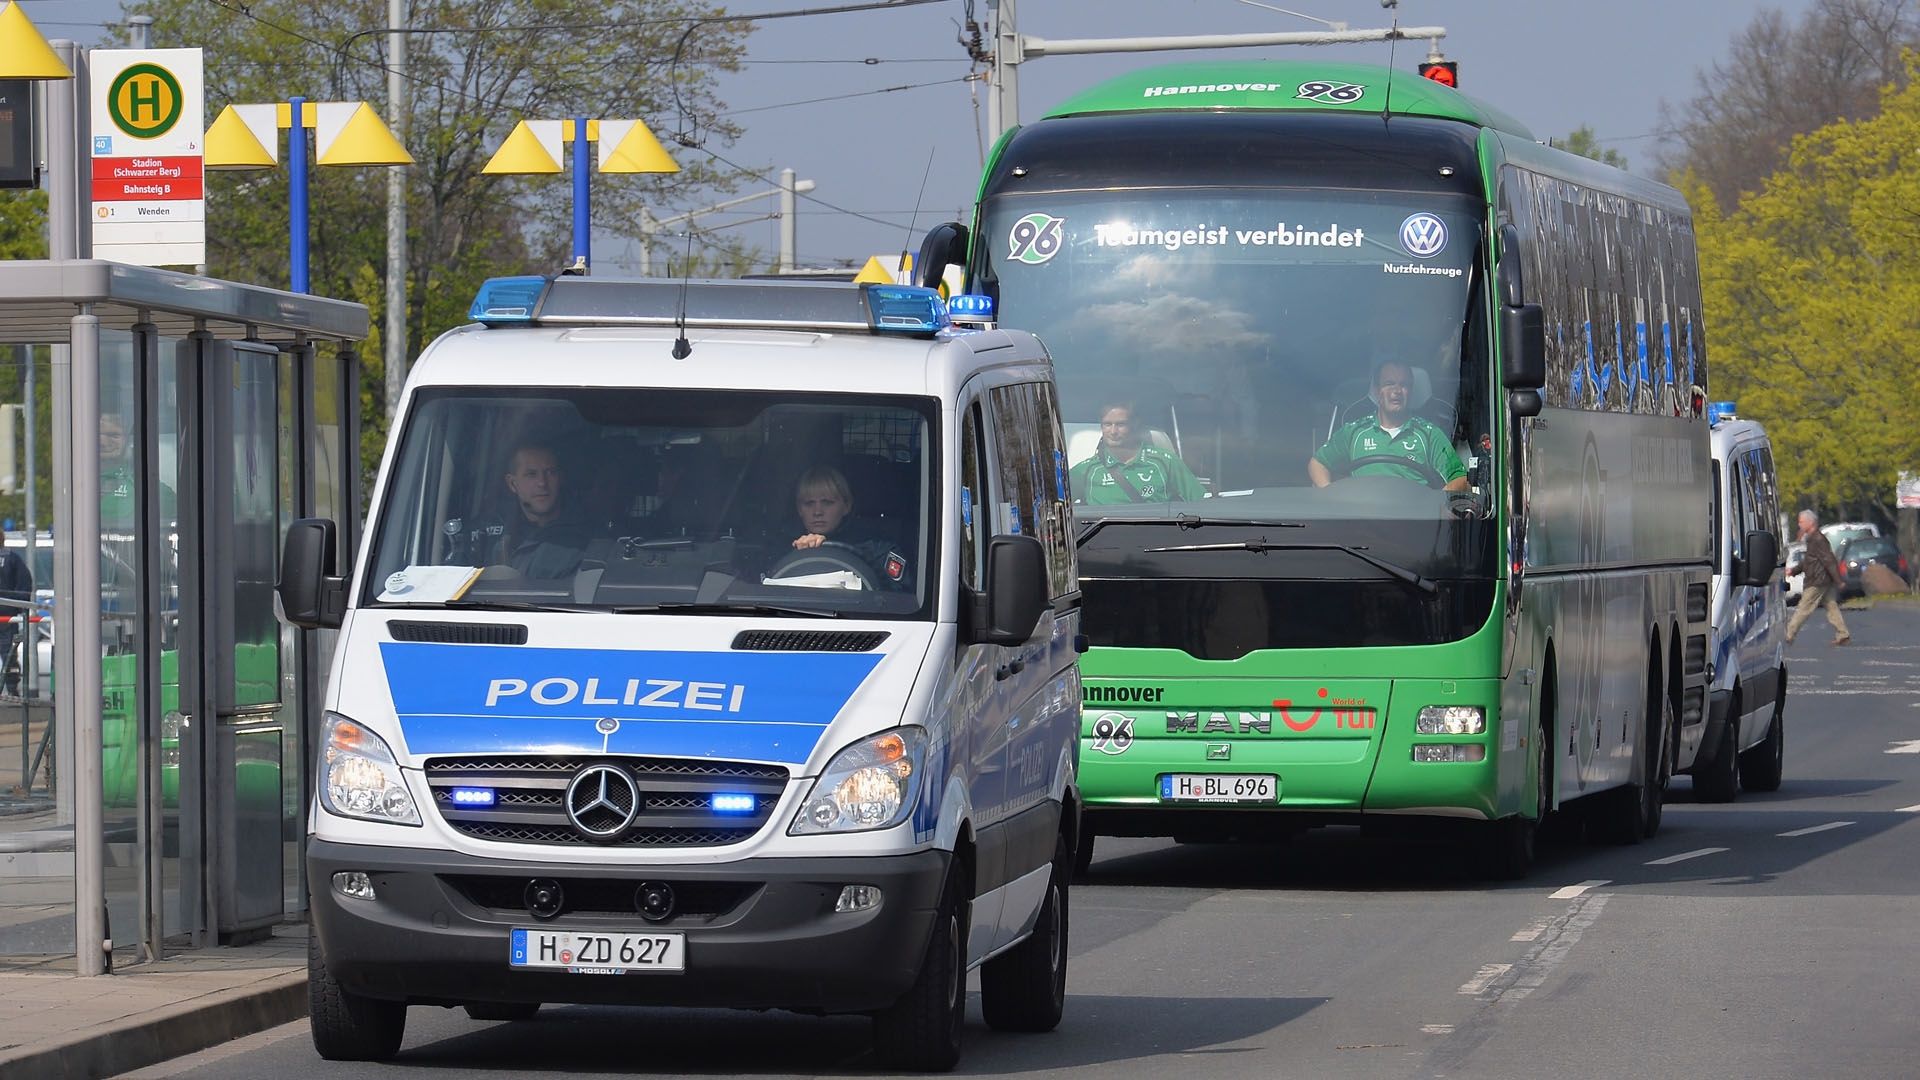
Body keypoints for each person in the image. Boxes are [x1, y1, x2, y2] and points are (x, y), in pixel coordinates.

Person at [1310, 360, 1469, 492]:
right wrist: (1329, 495)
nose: (1397, 391)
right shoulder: (1354, 431)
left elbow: (1459, 478)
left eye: (1404, 385)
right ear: (1377, 391)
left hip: (1415, 522)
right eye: (1389, 384)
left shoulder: (1429, 434)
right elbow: (1317, 464)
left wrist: (1438, 508)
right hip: (1360, 522)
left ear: (1410, 391)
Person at [447, 443, 592, 578]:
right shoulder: (485, 534)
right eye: (531, 474)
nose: (542, 483)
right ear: (512, 483)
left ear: (560, 478)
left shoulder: (588, 536)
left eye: (550, 472)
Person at [784, 465, 911, 588]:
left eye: (827, 503)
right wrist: (801, 552)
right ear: (799, 509)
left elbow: (900, 598)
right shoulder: (782, 548)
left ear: (846, 506)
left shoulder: (877, 550)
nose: (817, 512)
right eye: (809, 503)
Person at [1068, 401, 1205, 505]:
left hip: (1159, 540)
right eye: (1107, 424)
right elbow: (1053, 508)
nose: (1113, 432)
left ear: (1135, 424)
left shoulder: (1165, 461)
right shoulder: (1087, 470)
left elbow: (1201, 504)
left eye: (1121, 425)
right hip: (1102, 540)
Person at [1785, 509, 1850, 646]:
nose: (1799, 524)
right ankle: (1843, 634)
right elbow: (1809, 561)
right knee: (1831, 606)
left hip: (1818, 580)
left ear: (1811, 522)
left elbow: (1829, 560)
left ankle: (1789, 634)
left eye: (1801, 521)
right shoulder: (1813, 539)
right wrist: (1794, 570)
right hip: (1822, 578)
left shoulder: (1818, 539)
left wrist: (1839, 581)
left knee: (1804, 607)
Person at [0, 545, 30, 695]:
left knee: (9, 654)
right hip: (7, 615)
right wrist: (20, 606)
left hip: (6, 614)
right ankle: (13, 690)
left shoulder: (11, 558)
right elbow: (24, 583)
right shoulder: (11, 558)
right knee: (9, 655)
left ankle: (12, 689)